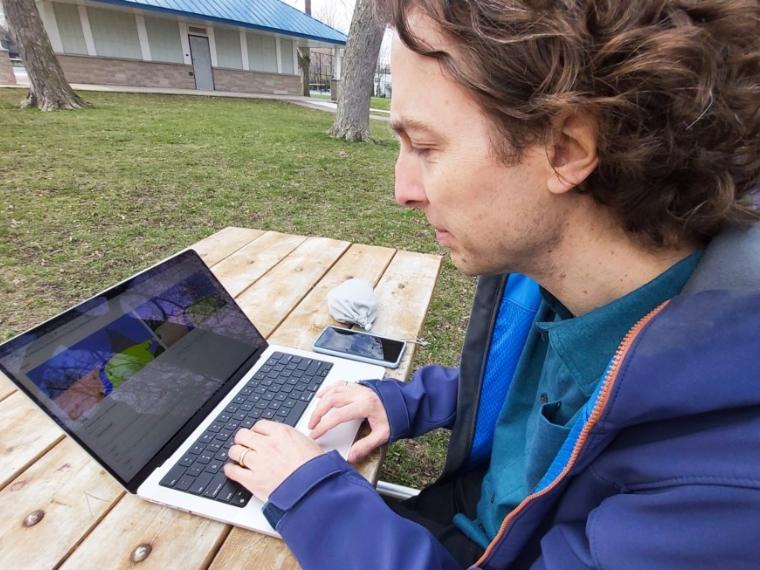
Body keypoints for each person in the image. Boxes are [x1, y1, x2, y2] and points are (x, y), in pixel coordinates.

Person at [223, 1, 760, 568]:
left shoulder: (722, 488)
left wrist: (312, 495)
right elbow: (551, 394)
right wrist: (408, 401)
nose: (401, 190)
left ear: (566, 150)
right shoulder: (578, 279)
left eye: (425, 146)